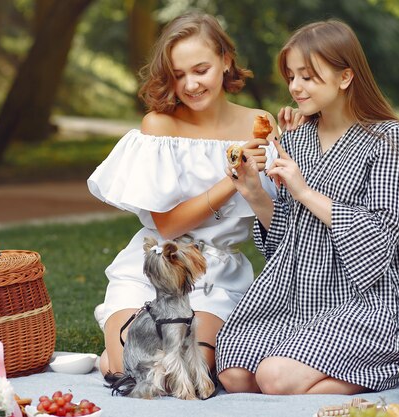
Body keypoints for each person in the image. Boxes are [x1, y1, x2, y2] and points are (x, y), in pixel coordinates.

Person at [215, 19, 399, 395]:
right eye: (291, 76)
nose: (295, 87)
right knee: (234, 375)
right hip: (299, 294)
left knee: (273, 379)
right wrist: (254, 193)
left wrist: (303, 191)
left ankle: (387, 369)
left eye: (308, 77)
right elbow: (285, 237)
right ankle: (316, 377)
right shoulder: (297, 139)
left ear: (345, 77)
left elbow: (381, 236)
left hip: (367, 298)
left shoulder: (388, 139)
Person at [87, 11, 278, 376]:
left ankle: (119, 357)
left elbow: (278, 220)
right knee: (134, 370)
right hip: (155, 267)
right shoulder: (160, 126)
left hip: (216, 276)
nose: (190, 84)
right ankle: (113, 354)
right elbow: (169, 226)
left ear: (226, 60)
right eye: (178, 75)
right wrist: (233, 178)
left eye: (200, 70)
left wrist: (268, 173)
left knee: (190, 373)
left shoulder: (259, 124)